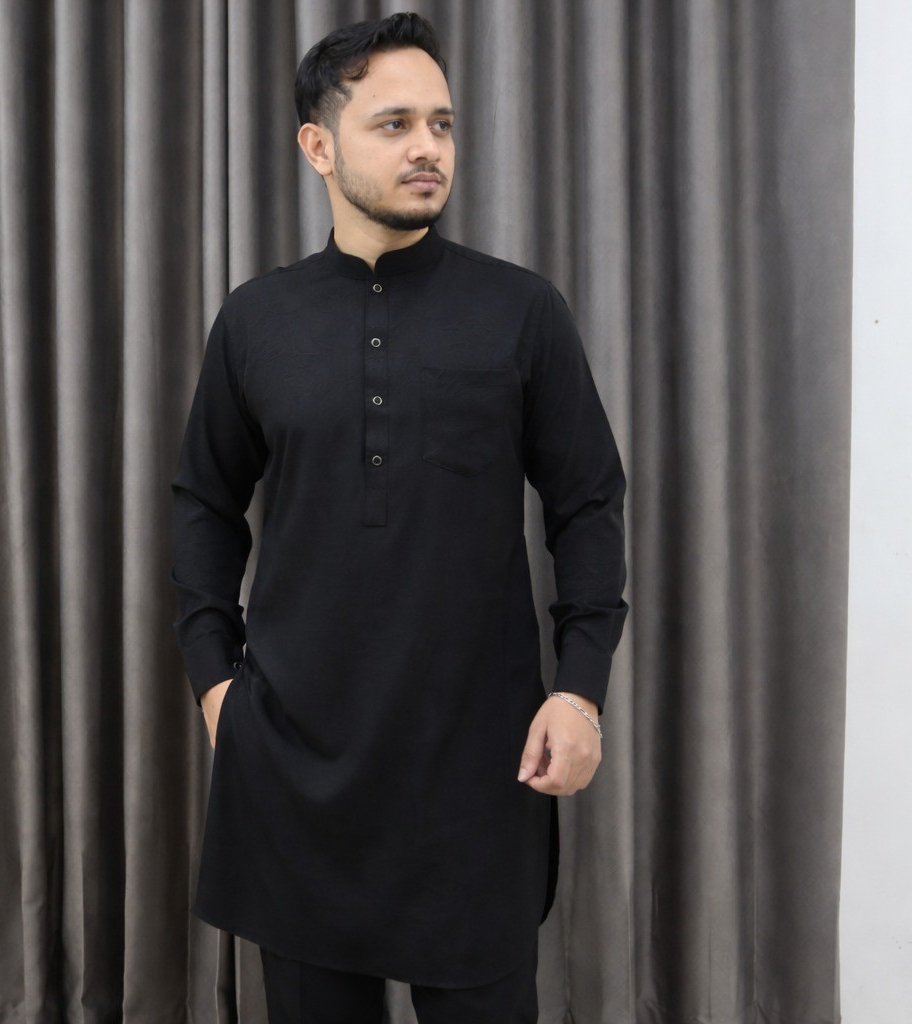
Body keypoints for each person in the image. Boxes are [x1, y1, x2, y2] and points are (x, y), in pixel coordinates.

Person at [171, 13, 627, 1024]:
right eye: (394, 124)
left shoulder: (520, 311)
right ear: (319, 145)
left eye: (442, 123)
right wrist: (215, 685)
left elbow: (589, 502)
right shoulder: (256, 320)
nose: (429, 147)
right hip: (294, 768)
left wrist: (580, 691)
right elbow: (203, 503)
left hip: (477, 769)